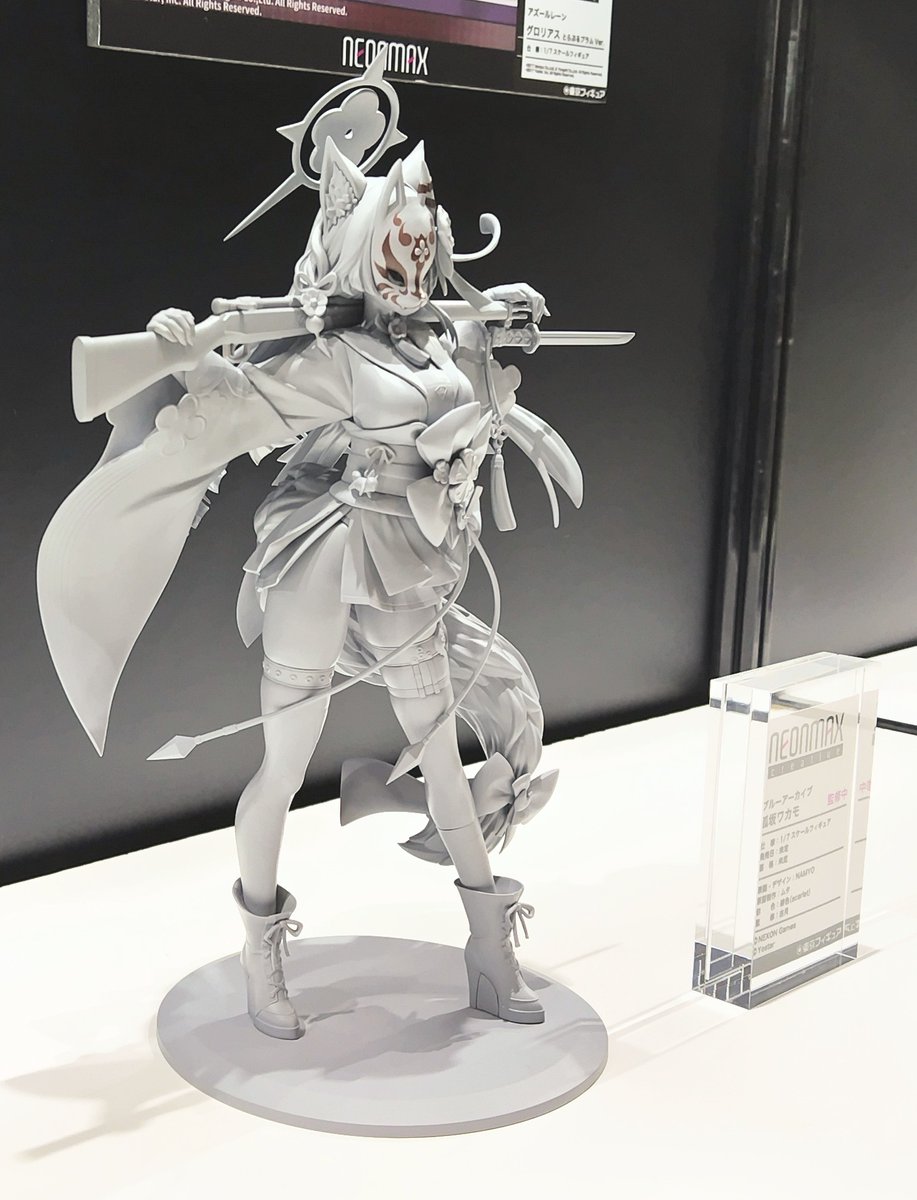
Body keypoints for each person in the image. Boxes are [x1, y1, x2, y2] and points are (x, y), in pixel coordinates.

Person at [37, 62, 581, 1042]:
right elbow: (232, 407)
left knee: (441, 756)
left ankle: (487, 949)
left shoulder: (431, 346)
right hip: (321, 557)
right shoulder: (330, 358)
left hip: (406, 560)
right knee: (284, 765)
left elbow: (475, 366)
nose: (414, 265)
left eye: (423, 248)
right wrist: (187, 348)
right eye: (397, 249)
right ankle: (261, 953)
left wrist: (505, 317)